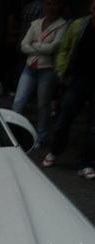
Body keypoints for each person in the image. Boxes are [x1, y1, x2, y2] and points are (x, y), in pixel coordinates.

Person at [42, 0, 95, 180]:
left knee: (93, 127)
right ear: (90, 8)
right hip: (77, 79)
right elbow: (64, 48)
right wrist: (61, 70)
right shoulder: (79, 25)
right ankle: (55, 151)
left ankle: (86, 163)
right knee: (64, 118)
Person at [12, 0, 68, 144]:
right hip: (30, 67)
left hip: (47, 70)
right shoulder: (36, 23)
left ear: (59, 6)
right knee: (18, 101)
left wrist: (34, 45)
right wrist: (41, 46)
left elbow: (53, 48)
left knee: (43, 105)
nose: (51, 7)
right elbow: (23, 45)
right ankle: (11, 132)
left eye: (55, 4)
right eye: (49, 4)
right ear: (44, 6)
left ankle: (40, 136)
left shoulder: (62, 25)